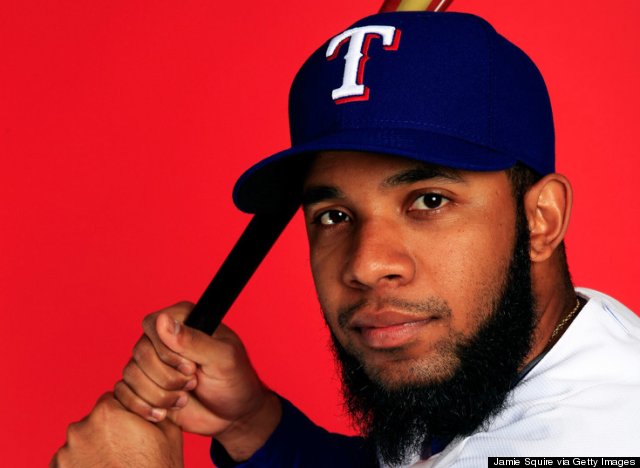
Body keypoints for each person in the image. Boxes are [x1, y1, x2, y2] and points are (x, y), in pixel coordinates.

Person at [52, 11, 640, 468]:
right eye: (334, 215)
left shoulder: (600, 435)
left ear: (541, 218)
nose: (366, 264)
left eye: (429, 201)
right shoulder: (526, 354)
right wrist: (255, 423)